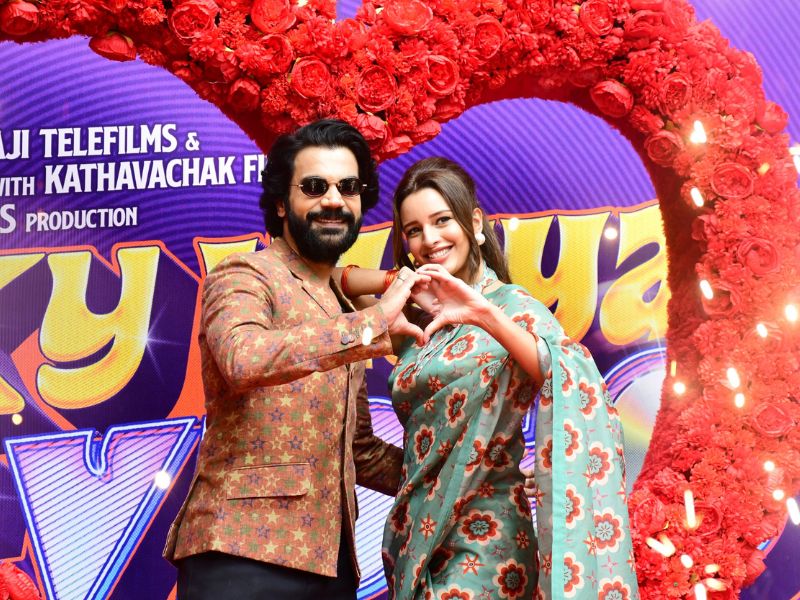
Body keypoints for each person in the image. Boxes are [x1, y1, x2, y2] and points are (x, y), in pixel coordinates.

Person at [338, 157, 639, 600]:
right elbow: (339, 281)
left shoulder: (511, 307)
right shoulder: (419, 320)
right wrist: (400, 282)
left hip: (488, 537)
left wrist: (482, 314)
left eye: (442, 221)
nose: (430, 239)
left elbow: (568, 372)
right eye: (414, 230)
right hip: (414, 534)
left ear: (474, 223)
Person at [163, 119, 429, 600]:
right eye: (314, 186)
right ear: (282, 203)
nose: (334, 200)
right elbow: (242, 357)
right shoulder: (245, 274)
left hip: (331, 563)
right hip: (240, 553)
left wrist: (465, 474)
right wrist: (372, 323)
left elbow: (359, 452)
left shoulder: (340, 303)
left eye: (348, 188)